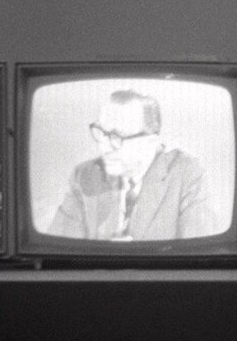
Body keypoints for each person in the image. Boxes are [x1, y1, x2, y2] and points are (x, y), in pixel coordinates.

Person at [47, 89, 220, 241]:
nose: (103, 148)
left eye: (116, 137)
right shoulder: (84, 175)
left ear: (150, 142)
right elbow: (60, 250)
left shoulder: (188, 175)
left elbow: (198, 255)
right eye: (101, 133)